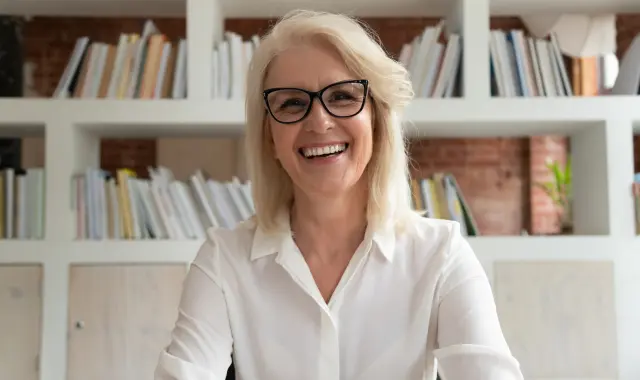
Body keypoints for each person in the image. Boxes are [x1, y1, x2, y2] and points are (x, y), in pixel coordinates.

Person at [154, 9, 524, 380]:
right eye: (292, 103)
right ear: (270, 137)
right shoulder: (223, 260)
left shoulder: (441, 254)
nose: (319, 122)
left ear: (377, 120)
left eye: (343, 96)